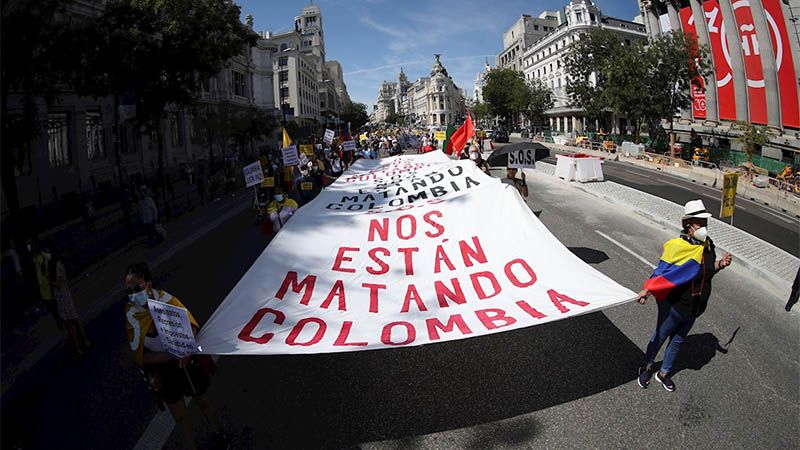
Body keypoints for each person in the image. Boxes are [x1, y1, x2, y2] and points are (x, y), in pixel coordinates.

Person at [124, 262, 226, 450]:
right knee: (180, 416)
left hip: (186, 361)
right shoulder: (132, 315)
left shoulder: (168, 301)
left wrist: (184, 349)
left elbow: (193, 327)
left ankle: (219, 433)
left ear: (147, 284)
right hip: (164, 368)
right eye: (128, 291)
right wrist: (172, 355)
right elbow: (140, 357)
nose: (132, 295)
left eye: (135, 288)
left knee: (202, 401)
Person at [636, 200, 732, 392]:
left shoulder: (708, 245)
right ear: (689, 226)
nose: (704, 228)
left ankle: (663, 373)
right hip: (674, 306)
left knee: (678, 341)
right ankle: (647, 366)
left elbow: (706, 272)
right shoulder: (676, 246)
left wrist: (720, 264)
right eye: (700, 223)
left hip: (694, 308)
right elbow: (661, 272)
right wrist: (647, 290)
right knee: (660, 336)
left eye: (706, 223)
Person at [50, 249, 91, 358]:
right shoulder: (60, 264)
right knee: (75, 320)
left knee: (70, 324)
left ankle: (78, 347)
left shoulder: (57, 266)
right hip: (66, 296)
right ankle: (85, 341)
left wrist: (50, 282)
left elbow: (58, 284)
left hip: (63, 299)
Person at [33, 241, 62, 329]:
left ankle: (60, 319)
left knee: (54, 303)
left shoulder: (42, 256)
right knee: (52, 304)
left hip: (47, 284)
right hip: (44, 285)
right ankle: (59, 319)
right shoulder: (37, 257)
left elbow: (50, 262)